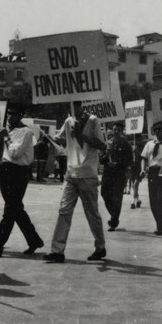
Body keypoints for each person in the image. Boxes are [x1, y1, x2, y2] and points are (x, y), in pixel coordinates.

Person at [42, 103, 109, 263]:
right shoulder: (68, 121)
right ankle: (57, 251)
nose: (73, 108)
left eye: (76, 105)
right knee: (64, 210)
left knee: (92, 213)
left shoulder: (93, 120)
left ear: (81, 105)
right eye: (70, 105)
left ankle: (100, 247)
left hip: (88, 174)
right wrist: (48, 139)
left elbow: (102, 145)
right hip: (71, 174)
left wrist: (82, 135)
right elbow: (60, 139)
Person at [0, 103, 45, 258]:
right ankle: (34, 240)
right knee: (15, 209)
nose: (10, 117)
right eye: (9, 114)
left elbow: (15, 153)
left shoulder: (25, 132)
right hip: (6, 171)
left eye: (14, 114)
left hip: (18, 172)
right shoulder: (6, 130)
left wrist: (6, 138)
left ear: (21, 116)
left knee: (10, 210)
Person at [100, 122, 134, 231]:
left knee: (117, 198)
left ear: (122, 131)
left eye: (118, 130)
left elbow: (129, 160)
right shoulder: (108, 143)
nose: (115, 132)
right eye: (114, 129)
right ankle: (113, 214)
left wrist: (117, 164)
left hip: (119, 174)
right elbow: (101, 160)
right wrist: (107, 155)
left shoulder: (126, 144)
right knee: (104, 193)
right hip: (107, 173)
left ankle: (113, 222)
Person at [141, 121, 162, 235]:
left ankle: (160, 227)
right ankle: (159, 223)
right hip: (152, 173)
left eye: (160, 129)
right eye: (155, 130)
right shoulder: (149, 144)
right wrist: (142, 169)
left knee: (161, 201)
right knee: (153, 202)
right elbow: (144, 158)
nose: (157, 131)